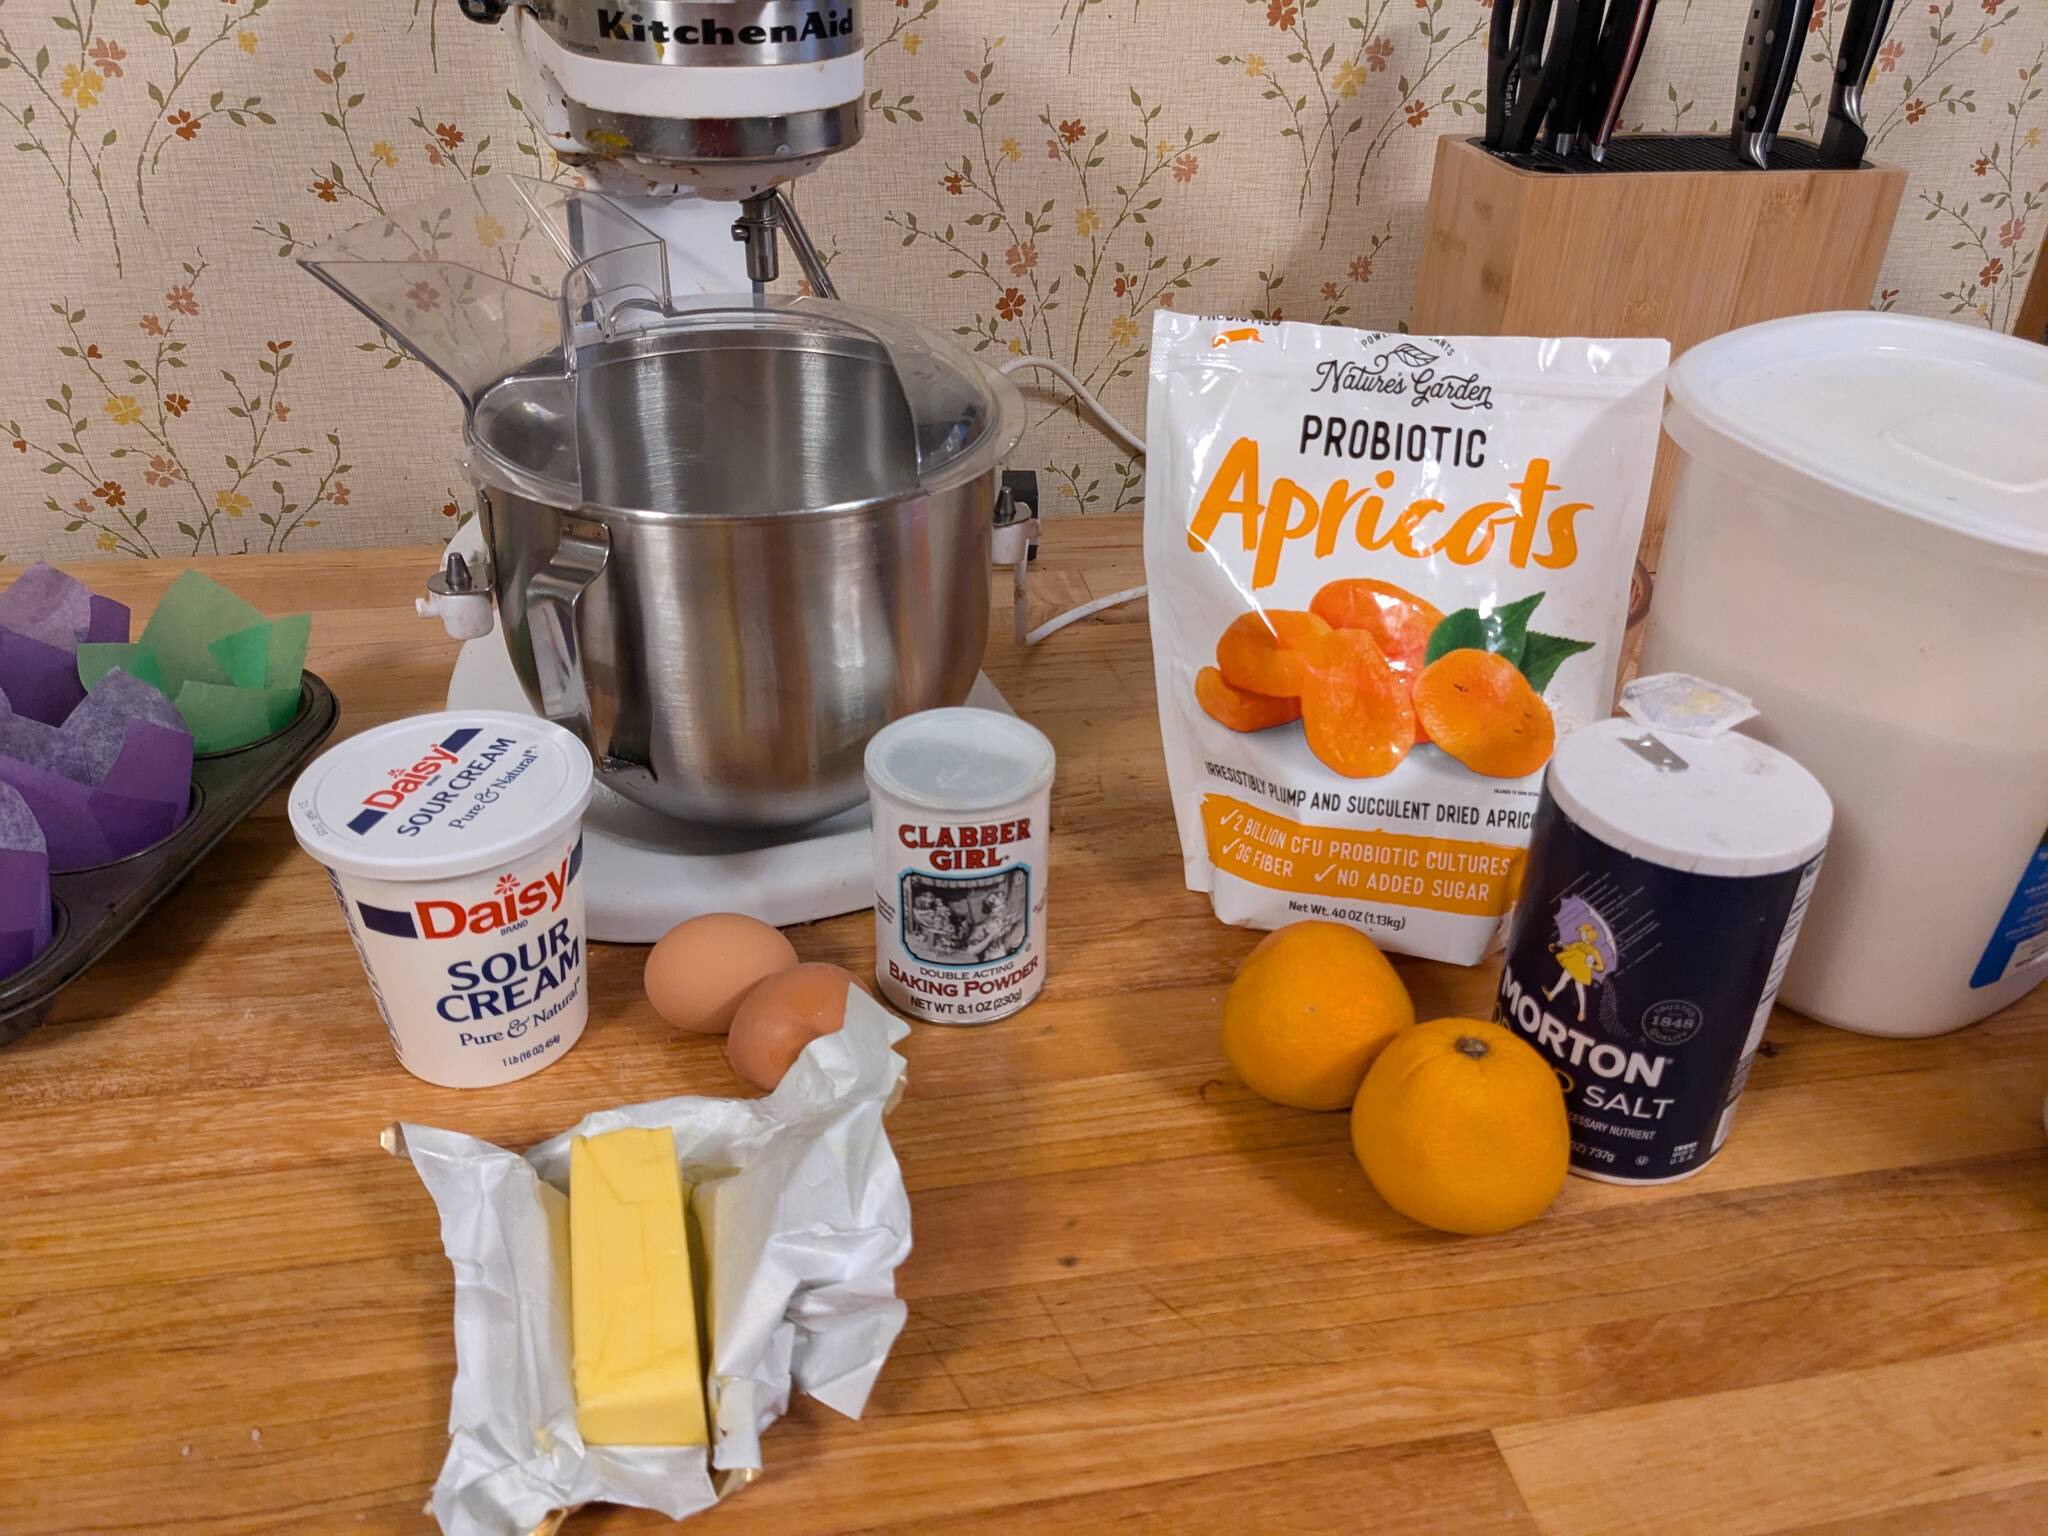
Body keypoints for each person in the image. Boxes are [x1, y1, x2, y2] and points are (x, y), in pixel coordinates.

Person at [1545, 921, 1607, 1024]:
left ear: (1588, 935)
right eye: (1581, 933)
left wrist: (1592, 965)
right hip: (1573, 964)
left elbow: (1601, 967)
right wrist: (1561, 944)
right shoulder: (1578, 944)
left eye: (1583, 933)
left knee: (1579, 988)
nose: (1581, 934)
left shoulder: (1593, 951)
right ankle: (1551, 995)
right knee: (1564, 980)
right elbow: (1569, 947)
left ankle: (1582, 1011)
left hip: (1581, 969)